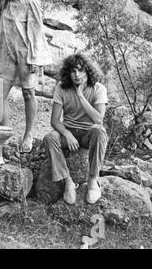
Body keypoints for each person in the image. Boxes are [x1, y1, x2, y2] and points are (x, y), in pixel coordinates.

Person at [0, 0, 53, 153]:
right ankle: (4, 130)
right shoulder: (4, 3)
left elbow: (36, 31)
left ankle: (28, 134)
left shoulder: (30, 2)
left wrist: (35, 58)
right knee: (0, 93)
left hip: (25, 55)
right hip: (6, 54)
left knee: (28, 93)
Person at [43, 53, 108, 205]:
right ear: (68, 73)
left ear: (88, 71)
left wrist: (80, 96)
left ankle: (92, 180)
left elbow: (98, 119)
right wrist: (66, 133)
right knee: (50, 138)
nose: (77, 75)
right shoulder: (61, 88)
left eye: (80, 70)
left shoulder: (99, 89)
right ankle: (68, 182)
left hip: (88, 134)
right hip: (69, 132)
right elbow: (54, 120)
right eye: (73, 71)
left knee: (99, 131)